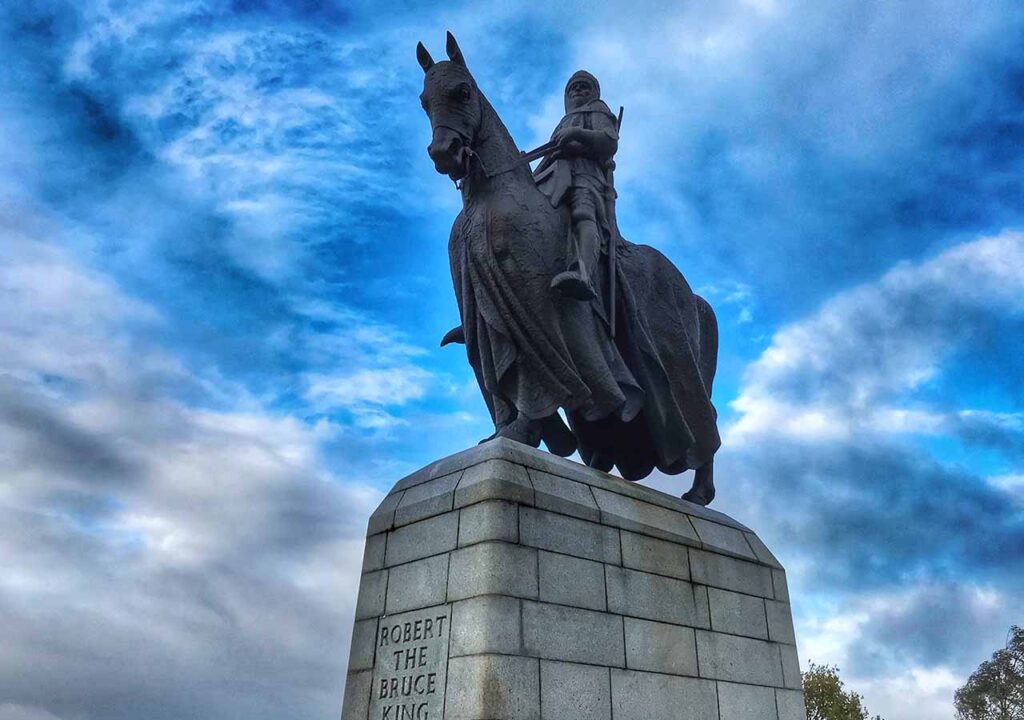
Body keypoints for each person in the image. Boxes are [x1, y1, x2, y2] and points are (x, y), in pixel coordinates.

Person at [534, 70, 619, 301]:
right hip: (555, 176)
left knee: (583, 212)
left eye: (584, 87)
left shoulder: (597, 110)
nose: (578, 91)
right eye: (574, 88)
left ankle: (584, 273)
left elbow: (609, 141)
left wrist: (577, 134)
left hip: (585, 174)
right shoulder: (562, 122)